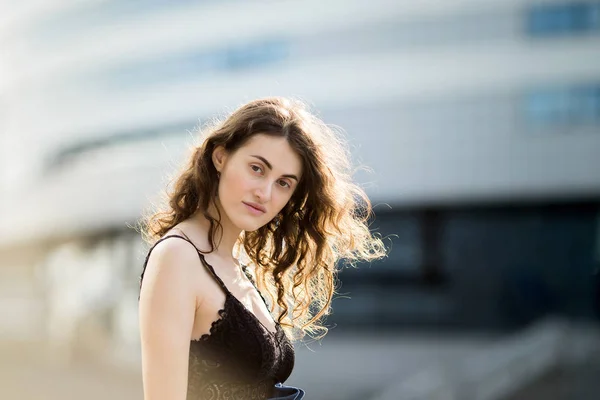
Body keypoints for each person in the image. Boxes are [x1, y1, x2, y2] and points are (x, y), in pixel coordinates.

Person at [138, 97, 387, 399]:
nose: (264, 193)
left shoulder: (232, 261)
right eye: (257, 168)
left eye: (284, 183)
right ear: (220, 157)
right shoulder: (177, 257)